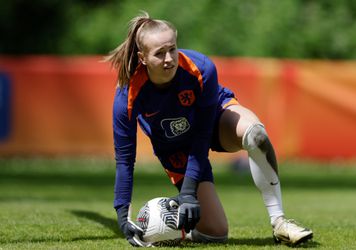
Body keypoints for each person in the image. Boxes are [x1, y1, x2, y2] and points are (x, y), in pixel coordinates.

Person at [106, 11, 313, 247]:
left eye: (172, 49)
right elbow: (125, 159)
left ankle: (280, 222)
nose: (169, 59)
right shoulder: (127, 95)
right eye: (159, 53)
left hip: (212, 122)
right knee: (216, 233)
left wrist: (189, 191)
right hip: (174, 147)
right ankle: (172, 228)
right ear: (142, 58)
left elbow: (202, 136)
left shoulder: (201, 68)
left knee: (255, 134)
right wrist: (123, 218)